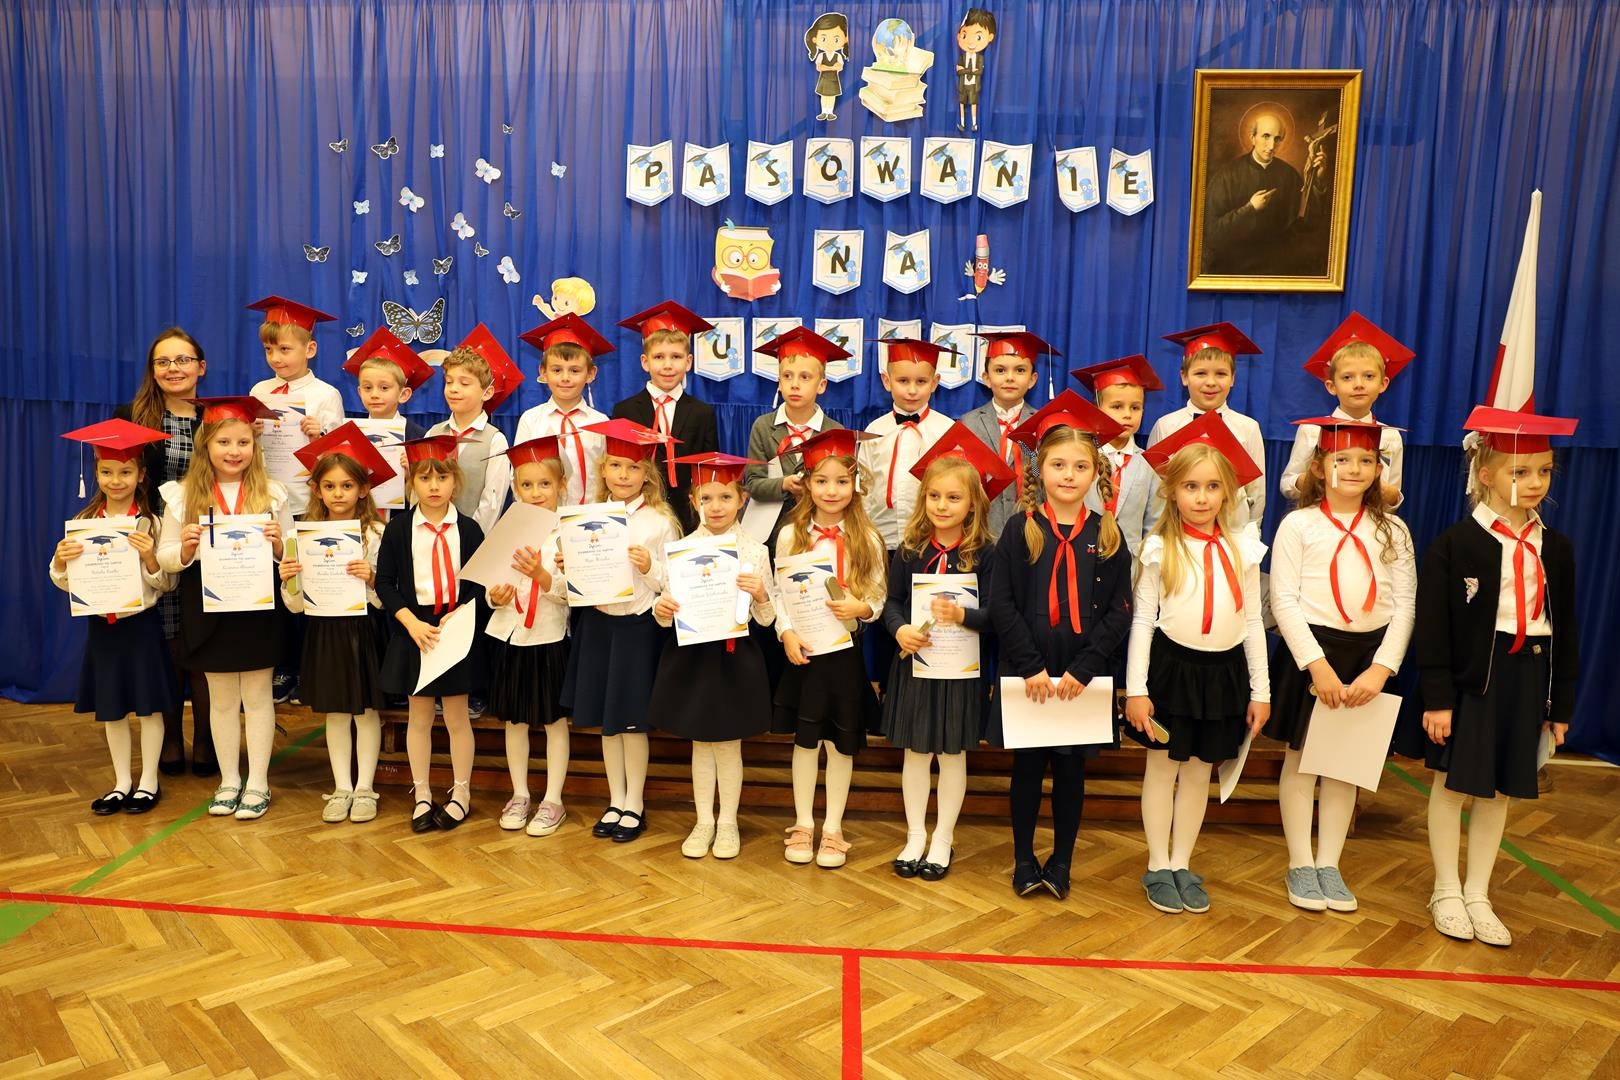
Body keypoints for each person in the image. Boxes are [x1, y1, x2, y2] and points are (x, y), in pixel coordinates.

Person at [1415, 406, 1580, 947]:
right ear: (1485, 474)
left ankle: (1478, 892)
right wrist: (1438, 697)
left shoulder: (1556, 548)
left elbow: (1567, 629)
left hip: (1527, 677)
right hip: (1472, 680)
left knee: (1500, 791)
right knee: (1452, 786)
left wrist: (1560, 707)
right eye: (1520, 471)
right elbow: (1434, 629)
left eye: (1544, 471)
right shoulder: (1455, 544)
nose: (1535, 482)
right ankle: (1446, 889)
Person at [1265, 418, 1416, 912]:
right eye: (1342, 459)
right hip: (1314, 654)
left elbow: (1405, 606)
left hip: (1369, 657)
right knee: (1303, 761)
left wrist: (1381, 669)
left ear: (1378, 469)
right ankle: (1300, 862)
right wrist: (1317, 666)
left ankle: (1329, 863)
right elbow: (1284, 600)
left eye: (1366, 460)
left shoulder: (1394, 530)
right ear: (1319, 466)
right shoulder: (1299, 525)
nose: (1354, 468)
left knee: (1344, 767)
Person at [986, 393, 1132, 901]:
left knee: (1071, 773)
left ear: (1095, 474)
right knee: (1027, 771)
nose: (1069, 475)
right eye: (1058, 464)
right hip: (1028, 673)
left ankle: (1062, 861)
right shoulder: (1019, 529)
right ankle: (1024, 859)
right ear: (1040, 470)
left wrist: (1085, 669)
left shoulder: (1107, 534)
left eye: (1080, 466)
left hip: (1079, 678)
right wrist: (1029, 666)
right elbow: (1001, 604)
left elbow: (1120, 611)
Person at [1125, 414, 1270, 915]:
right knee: (1163, 768)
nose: (1202, 497)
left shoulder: (1243, 549)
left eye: (1212, 487)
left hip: (1223, 675)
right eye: (1191, 486)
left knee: (1199, 772)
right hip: (1171, 673)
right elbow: (1143, 621)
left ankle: (1182, 862)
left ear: (1228, 493)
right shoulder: (1158, 548)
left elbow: (1253, 621)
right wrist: (1136, 690)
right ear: (1172, 491)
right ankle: (1157, 863)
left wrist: (1261, 691)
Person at [882, 425, 1013, 882]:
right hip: (916, 668)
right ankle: (915, 835)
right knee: (916, 754)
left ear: (973, 503)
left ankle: (943, 838)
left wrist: (963, 616)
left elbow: (996, 617)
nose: (942, 505)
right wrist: (899, 630)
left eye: (953, 498)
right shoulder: (910, 551)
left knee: (953, 755)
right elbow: (892, 603)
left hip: (962, 671)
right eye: (934, 496)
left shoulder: (988, 555)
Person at [155, 396, 292, 821]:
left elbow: (292, 554)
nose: (234, 451)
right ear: (206, 446)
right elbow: (165, 557)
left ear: (255, 445)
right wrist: (185, 548)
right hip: (208, 608)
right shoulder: (181, 496)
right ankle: (229, 780)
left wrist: (279, 546)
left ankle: (258, 782)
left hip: (258, 606)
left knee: (258, 697)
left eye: (243, 443)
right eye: (224, 442)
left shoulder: (272, 493)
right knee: (220, 699)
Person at [561, 419, 683, 844]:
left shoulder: (659, 522)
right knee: (606, 722)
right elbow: (576, 578)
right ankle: (615, 799)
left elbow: (674, 583)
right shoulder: (587, 518)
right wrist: (569, 565)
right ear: (603, 469)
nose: (624, 475)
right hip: (598, 626)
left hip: (637, 628)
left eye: (633, 468)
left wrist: (650, 567)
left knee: (632, 722)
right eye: (615, 466)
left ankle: (635, 803)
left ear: (647, 473)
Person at [651, 452, 777, 861]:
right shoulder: (680, 551)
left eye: (725, 497)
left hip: (734, 657)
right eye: (706, 498)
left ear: (742, 499)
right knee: (701, 743)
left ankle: (728, 822)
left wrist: (761, 595)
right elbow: (664, 612)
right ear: (693, 501)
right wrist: (661, 609)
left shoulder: (755, 551)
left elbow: (768, 617)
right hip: (694, 657)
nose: (716, 506)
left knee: (728, 744)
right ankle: (704, 820)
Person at [772, 428, 886, 869]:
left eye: (842, 481)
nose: (832, 490)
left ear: (855, 484)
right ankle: (803, 823)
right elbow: (779, 594)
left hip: (845, 653)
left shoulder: (868, 538)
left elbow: (878, 596)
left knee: (840, 743)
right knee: (805, 742)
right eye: (821, 481)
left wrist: (863, 608)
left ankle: (834, 828)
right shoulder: (790, 535)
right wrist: (786, 632)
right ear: (806, 483)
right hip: (804, 653)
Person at [54, 419, 177, 815]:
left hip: (141, 626)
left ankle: (149, 782)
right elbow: (65, 581)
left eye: (125, 472)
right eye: (107, 472)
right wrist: (61, 561)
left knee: (149, 705)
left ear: (140, 475)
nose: (116, 480)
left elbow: (166, 583)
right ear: (96, 473)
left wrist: (149, 557)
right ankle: (122, 782)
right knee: (113, 706)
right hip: (102, 627)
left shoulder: (152, 523)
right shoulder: (84, 524)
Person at [278, 425, 394, 824]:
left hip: (363, 630)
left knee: (366, 711)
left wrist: (372, 579)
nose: (338, 494)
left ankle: (365, 788)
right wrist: (288, 579)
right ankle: (342, 786)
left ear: (363, 489)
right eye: (329, 486)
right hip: (324, 630)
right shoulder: (301, 535)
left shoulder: (377, 533)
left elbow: (388, 596)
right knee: (336, 712)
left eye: (347, 486)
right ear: (317, 490)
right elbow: (295, 605)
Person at [375, 435, 488, 833]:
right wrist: (410, 622)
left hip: (454, 626)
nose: (434, 486)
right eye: (425, 478)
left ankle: (461, 793)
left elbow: (479, 582)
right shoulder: (399, 529)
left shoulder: (469, 529)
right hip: (415, 628)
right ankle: (422, 792)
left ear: (456, 481)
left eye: (442, 477)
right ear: (412, 482)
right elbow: (385, 583)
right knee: (419, 716)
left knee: (457, 716)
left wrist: (461, 613)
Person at [117, 327, 214, 777]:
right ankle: (172, 738)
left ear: (201, 367)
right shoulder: (131, 418)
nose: (173, 368)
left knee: (207, 641)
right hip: (152, 542)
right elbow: (120, 479)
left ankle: (208, 741)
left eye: (182, 360)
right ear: (153, 370)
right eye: (163, 362)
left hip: (210, 542)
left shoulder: (219, 417)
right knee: (168, 644)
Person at [484, 437, 572, 838]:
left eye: (545, 484)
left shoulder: (569, 532)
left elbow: (574, 594)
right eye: (526, 485)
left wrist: (543, 576)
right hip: (510, 636)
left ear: (562, 485)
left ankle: (553, 799)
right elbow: (490, 585)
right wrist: (495, 596)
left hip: (549, 636)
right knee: (515, 721)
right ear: (515, 488)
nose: (535, 493)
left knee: (553, 721)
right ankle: (520, 793)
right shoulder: (507, 529)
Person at [862, 339, 955, 683]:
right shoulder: (873, 432)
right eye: (903, 381)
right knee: (886, 615)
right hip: (883, 542)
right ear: (886, 381)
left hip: (929, 543)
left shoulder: (947, 430)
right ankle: (887, 693)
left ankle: (923, 691)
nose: (912, 390)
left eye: (921, 381)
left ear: (935, 382)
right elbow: (864, 489)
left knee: (925, 617)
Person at [1279, 313, 1412, 507]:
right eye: (1347, 377)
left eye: (1368, 376)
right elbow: (1287, 485)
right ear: (1331, 386)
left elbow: (1392, 499)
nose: (1359, 384)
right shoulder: (1312, 430)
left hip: (1367, 519)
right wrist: (1315, 479)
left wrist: (1388, 494)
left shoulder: (1390, 436)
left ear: (1383, 384)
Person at [1145, 323, 1267, 531]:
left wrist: (1251, 534)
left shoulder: (1248, 428)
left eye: (1221, 374)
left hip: (1233, 530)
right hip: (1177, 531)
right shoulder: (1166, 425)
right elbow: (1155, 488)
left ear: (1233, 378)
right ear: (1184, 377)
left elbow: (1257, 491)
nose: (1211, 382)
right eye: (1201, 373)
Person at [613, 302, 721, 534]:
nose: (668, 365)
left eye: (676, 357)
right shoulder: (625, 411)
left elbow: (708, 471)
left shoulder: (702, 413)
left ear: (688, 362)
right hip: (639, 515)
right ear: (645, 362)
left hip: (689, 515)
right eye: (659, 357)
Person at [744, 327, 847, 547]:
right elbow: (752, 484)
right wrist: (784, 484)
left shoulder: (834, 432)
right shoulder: (763, 427)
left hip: (816, 532)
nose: (795, 384)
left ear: (821, 385)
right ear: (779, 382)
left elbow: (841, 486)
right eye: (787, 376)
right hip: (769, 534)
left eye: (805, 377)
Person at [245, 296, 346, 518]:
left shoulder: (326, 395)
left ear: (310, 349)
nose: (275, 358)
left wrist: (318, 438)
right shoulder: (258, 391)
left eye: (284, 349)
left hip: (308, 501)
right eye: (268, 349)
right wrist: (249, 432)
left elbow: (339, 458)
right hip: (263, 496)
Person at [1201, 111, 1327, 276]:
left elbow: (1307, 223)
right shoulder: (1227, 176)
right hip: (1236, 267)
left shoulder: (1289, 175)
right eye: (1266, 136)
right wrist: (1249, 208)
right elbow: (1212, 233)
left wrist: (1317, 180)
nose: (1272, 145)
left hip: (1278, 268)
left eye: (1277, 138)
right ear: (1252, 138)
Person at [426, 325, 522, 533]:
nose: (453, 389)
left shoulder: (495, 440)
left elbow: (492, 502)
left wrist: (470, 539)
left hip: (472, 540)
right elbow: (421, 492)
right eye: (449, 382)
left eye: (464, 383)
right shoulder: (432, 434)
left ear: (487, 393)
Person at [515, 313, 614, 508]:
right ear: (543, 372)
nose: (565, 378)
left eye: (575, 370)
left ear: (591, 374)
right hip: (542, 516)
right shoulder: (530, 420)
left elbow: (608, 475)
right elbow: (518, 475)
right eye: (557, 370)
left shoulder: (601, 423)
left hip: (591, 517)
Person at [1074, 354, 1165, 558]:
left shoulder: (1149, 464)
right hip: (1081, 558)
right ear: (1097, 408)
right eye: (1117, 406)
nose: (1127, 414)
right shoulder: (1081, 458)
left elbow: (1154, 523)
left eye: (1135, 407)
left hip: (1130, 564)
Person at [960, 331, 1044, 539]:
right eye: (1000, 370)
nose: (1010, 377)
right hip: (982, 531)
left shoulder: (1043, 423)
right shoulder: (969, 423)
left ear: (1032, 379)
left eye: (1020, 370)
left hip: (1031, 529)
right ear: (986, 378)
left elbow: (1043, 476)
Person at [344, 326, 432, 443]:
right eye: (368, 387)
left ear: (403, 395)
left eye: (384, 388)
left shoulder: (419, 438)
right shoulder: (349, 435)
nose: (374, 395)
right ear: (360, 392)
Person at [954, 8, 997, 132]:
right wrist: (970, 70)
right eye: (965, 35)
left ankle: (974, 123)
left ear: (990, 37)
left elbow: (979, 72)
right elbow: (959, 71)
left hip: (974, 85)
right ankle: (962, 123)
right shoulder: (962, 57)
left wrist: (966, 70)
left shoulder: (979, 58)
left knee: (973, 104)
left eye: (978, 37)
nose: (970, 42)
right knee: (961, 103)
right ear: (958, 36)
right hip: (963, 85)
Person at [805, 11, 850, 121]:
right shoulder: (821, 55)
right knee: (824, 96)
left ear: (845, 39)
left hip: (833, 79)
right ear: (815, 39)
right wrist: (831, 68)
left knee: (832, 96)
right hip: (824, 79)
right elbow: (819, 67)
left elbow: (839, 67)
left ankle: (830, 112)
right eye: (824, 39)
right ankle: (824, 112)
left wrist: (827, 67)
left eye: (836, 39)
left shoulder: (838, 56)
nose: (830, 43)